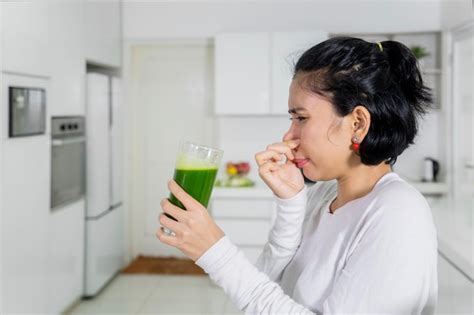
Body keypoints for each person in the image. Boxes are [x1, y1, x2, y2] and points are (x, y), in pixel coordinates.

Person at [157, 37, 438, 314]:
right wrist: (292, 204)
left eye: (301, 118)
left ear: (357, 123)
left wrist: (215, 252)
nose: (288, 136)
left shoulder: (398, 212)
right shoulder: (325, 194)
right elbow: (267, 286)